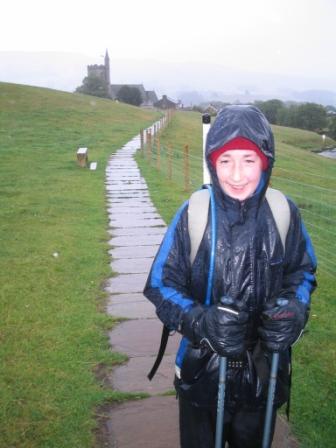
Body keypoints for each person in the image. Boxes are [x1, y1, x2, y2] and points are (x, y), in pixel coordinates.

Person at [143, 105, 317, 448]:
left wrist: (295, 312)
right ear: (212, 163)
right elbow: (161, 284)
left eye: (249, 161)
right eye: (226, 161)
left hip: (264, 371)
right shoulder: (193, 212)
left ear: (265, 162)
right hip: (202, 370)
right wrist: (202, 321)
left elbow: (302, 271)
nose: (237, 175)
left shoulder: (284, 212)